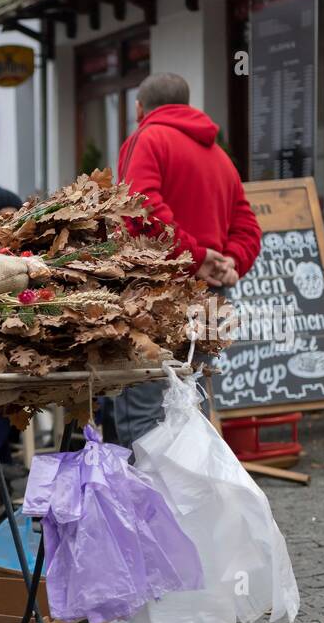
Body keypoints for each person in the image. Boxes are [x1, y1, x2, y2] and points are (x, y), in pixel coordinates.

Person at [110, 71, 262, 446]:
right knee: (193, 401)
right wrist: (230, 262)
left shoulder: (146, 138)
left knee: (144, 406)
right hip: (212, 297)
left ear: (139, 108)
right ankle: (195, 498)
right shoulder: (220, 157)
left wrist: (194, 256)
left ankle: (150, 503)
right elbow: (248, 225)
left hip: (159, 297)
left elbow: (139, 211)